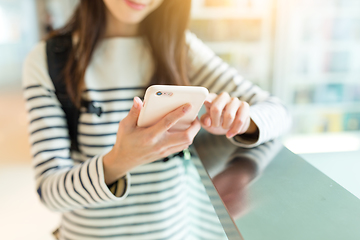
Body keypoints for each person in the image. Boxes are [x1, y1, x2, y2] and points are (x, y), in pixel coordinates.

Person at [22, 0, 291, 239]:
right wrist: (120, 160)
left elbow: (279, 112)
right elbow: (50, 191)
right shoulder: (47, 60)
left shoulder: (181, 48)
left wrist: (241, 121)